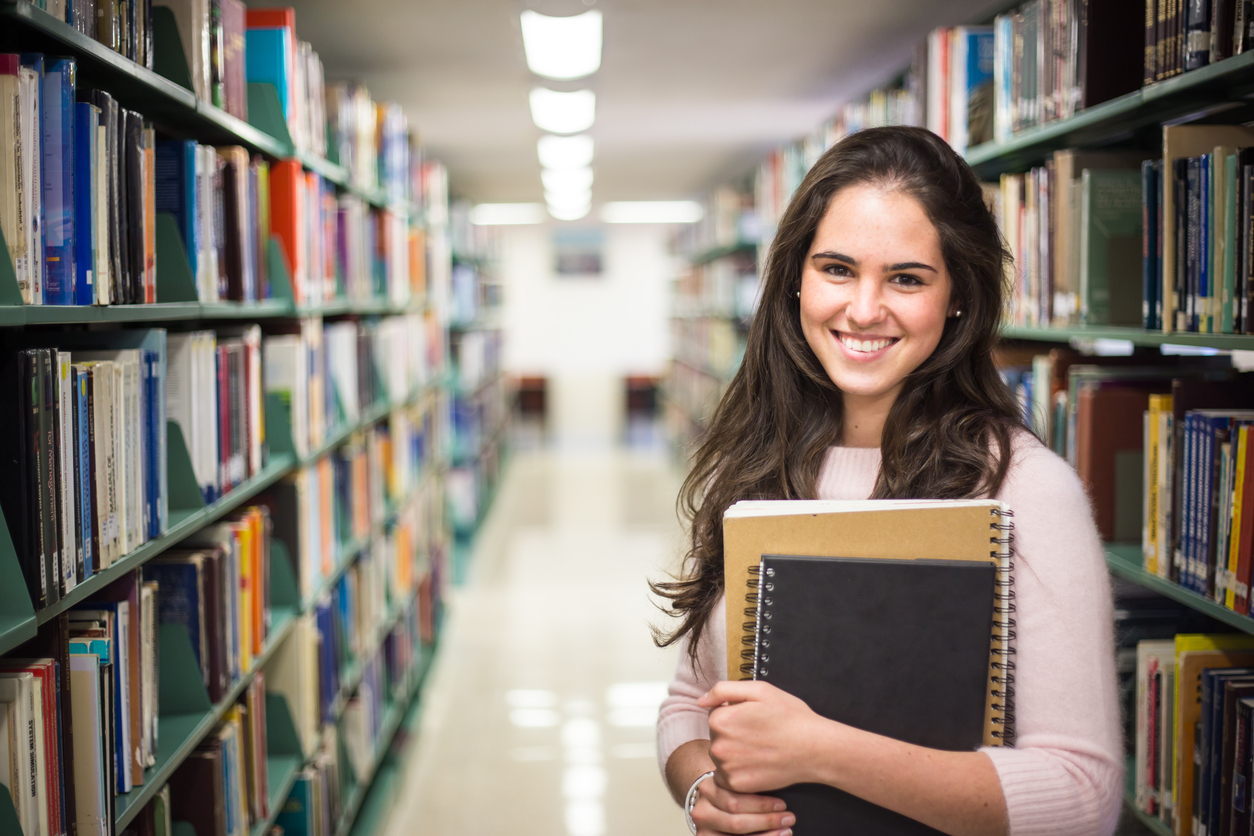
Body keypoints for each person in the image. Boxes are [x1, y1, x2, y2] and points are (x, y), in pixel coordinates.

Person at [652, 126, 1122, 836]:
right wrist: (701, 791)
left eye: (906, 278)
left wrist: (819, 752)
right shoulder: (747, 465)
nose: (865, 309)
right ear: (795, 280)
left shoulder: (1024, 490)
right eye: (837, 269)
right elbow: (690, 700)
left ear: (957, 294)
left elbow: (1083, 796)